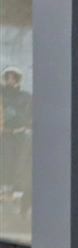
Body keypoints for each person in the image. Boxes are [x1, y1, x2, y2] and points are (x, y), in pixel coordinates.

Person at [0, 67, 28, 198]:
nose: (10, 80)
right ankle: (4, 187)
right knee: (6, 158)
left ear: (17, 80)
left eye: (13, 78)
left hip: (20, 133)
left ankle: (15, 187)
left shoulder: (24, 96)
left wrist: (23, 124)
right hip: (4, 133)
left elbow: (27, 114)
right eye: (8, 78)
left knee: (18, 159)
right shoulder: (2, 94)